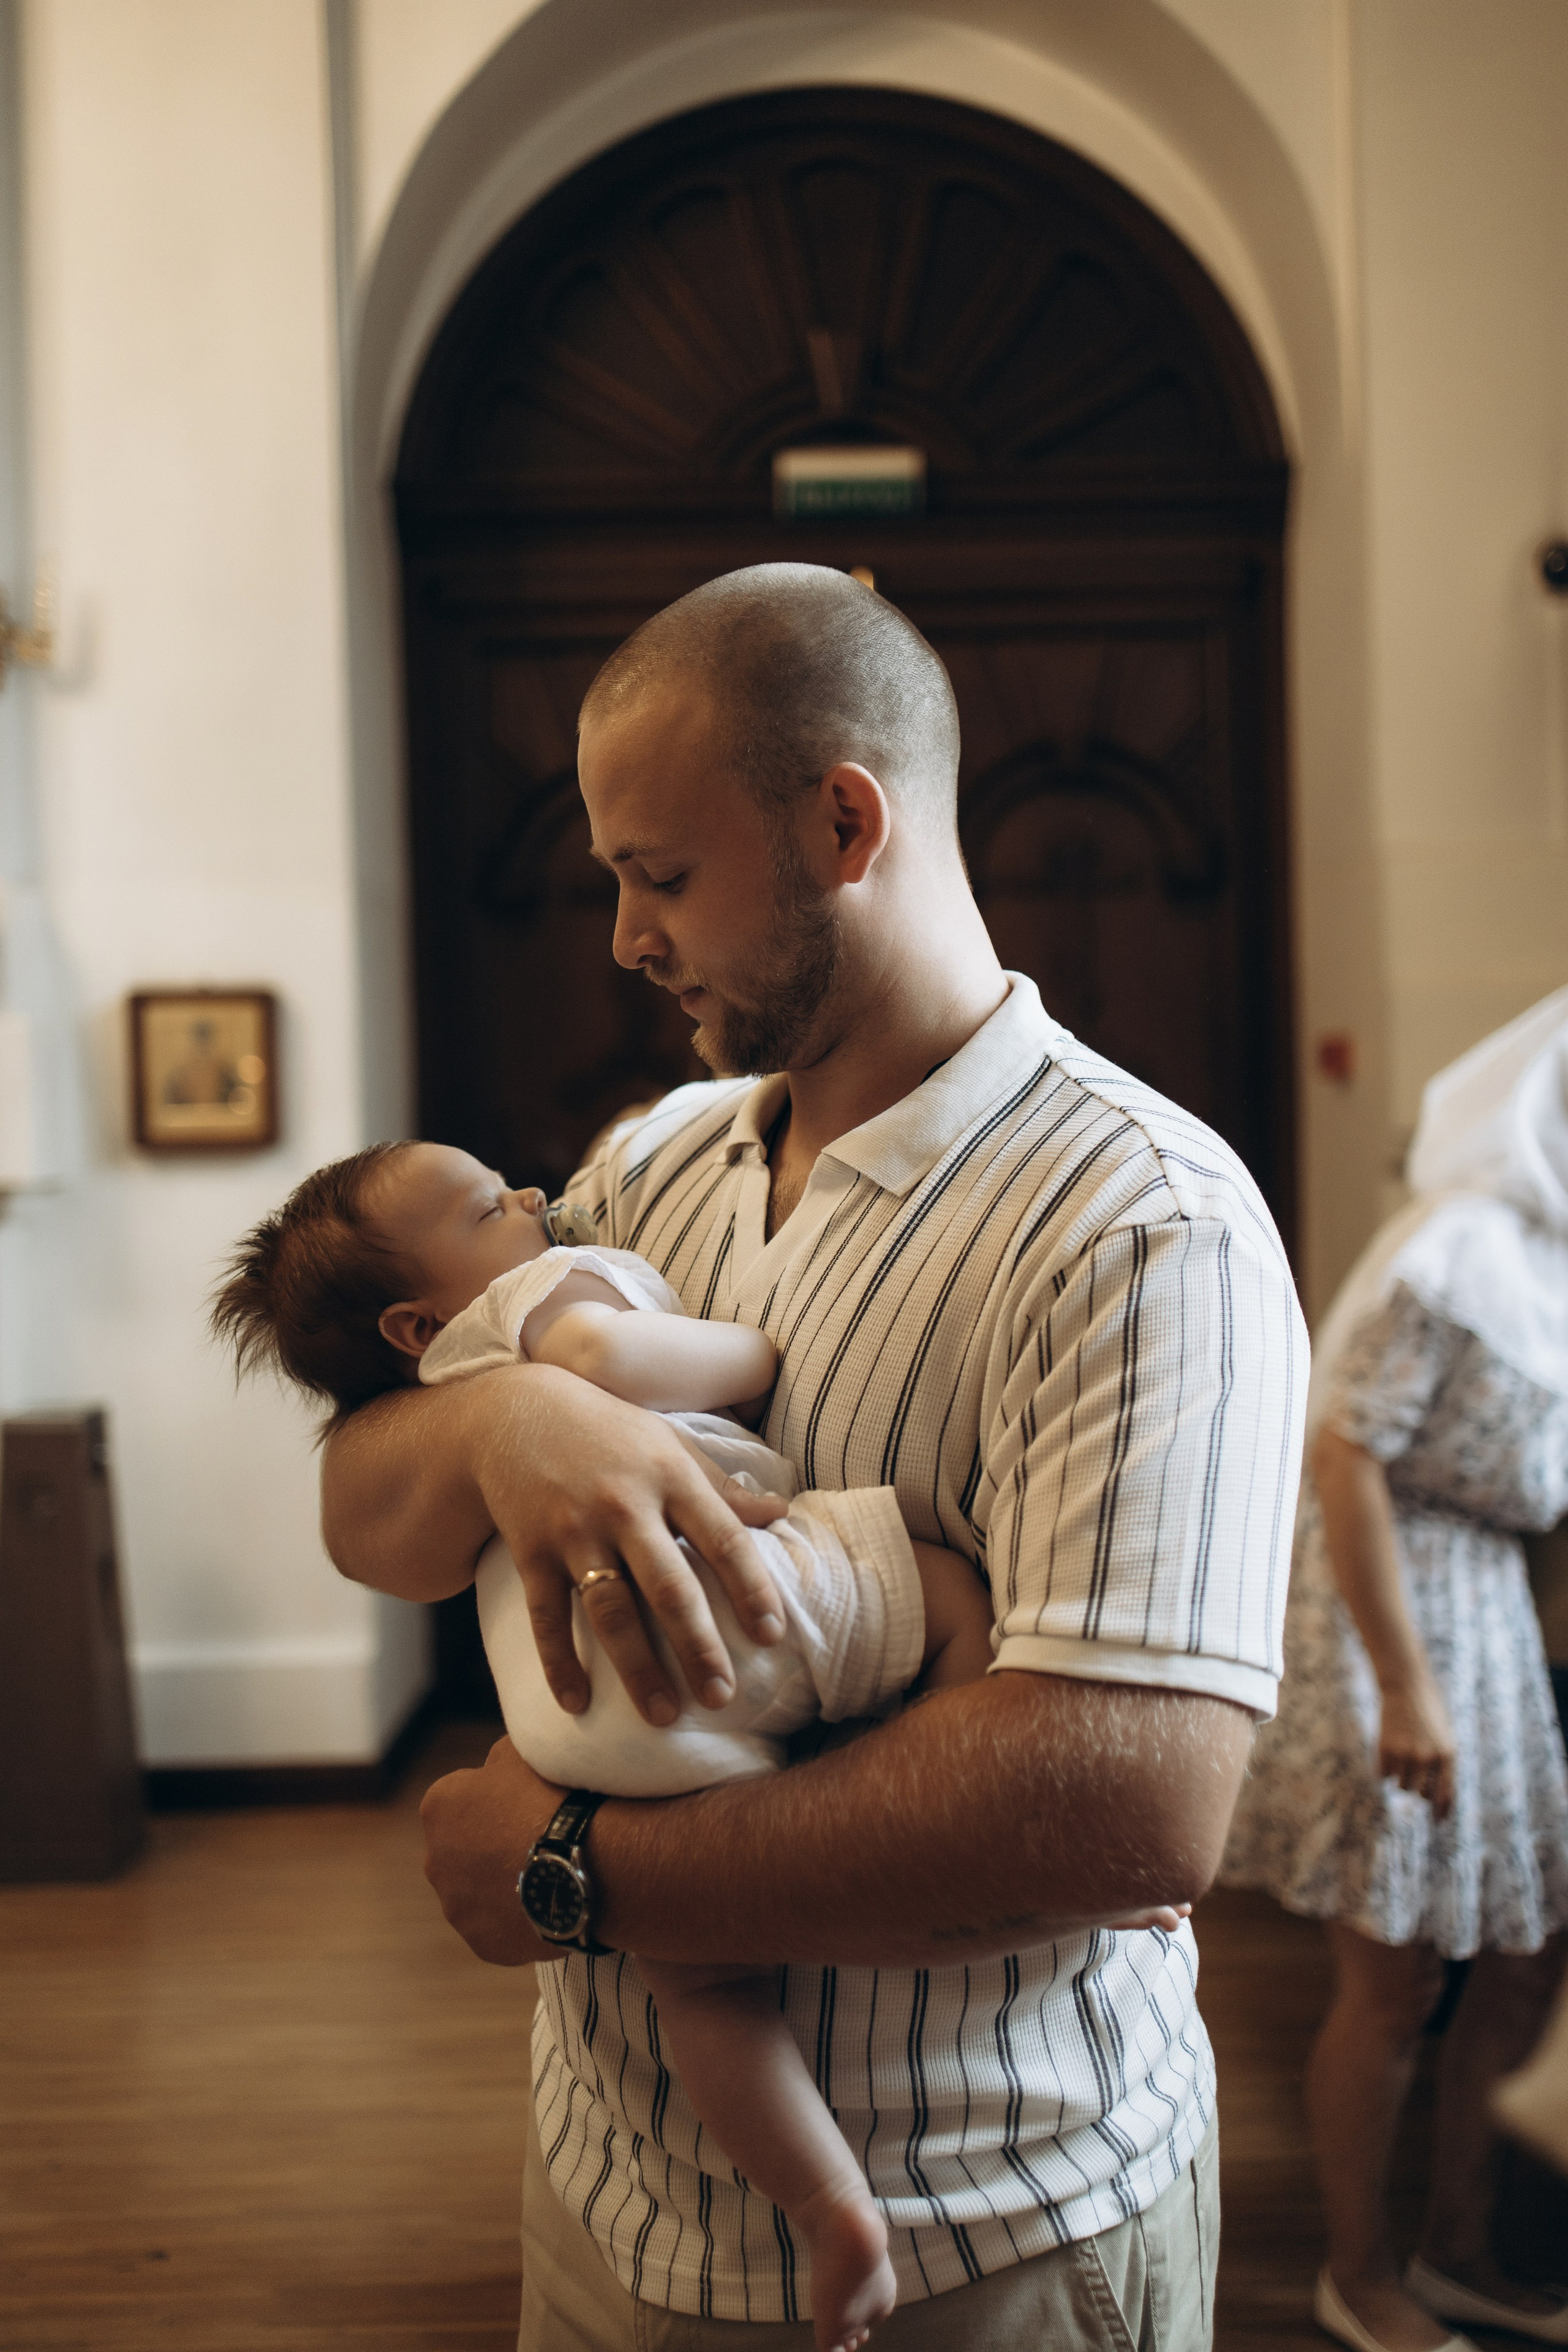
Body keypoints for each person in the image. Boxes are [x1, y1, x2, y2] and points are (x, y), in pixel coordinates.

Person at [321, 564, 1308, 2350]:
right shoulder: (650, 1167)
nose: (621, 936)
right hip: (608, 2188)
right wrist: (501, 1414)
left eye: (661, 874)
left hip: (984, 2233)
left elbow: (1136, 1802)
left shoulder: (1146, 1223)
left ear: (844, 823)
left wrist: (576, 1872)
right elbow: (368, 1517)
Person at [213, 1136, 1016, 2352]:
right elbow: (607, 1354)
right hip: (705, 1605)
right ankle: (974, 1805)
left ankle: (824, 2201)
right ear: (415, 1327)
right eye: (491, 1203)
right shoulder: (541, 1300)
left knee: (701, 1980)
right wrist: (749, 1354)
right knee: (950, 1595)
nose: (533, 1199)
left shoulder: (436, 1381)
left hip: (573, 1709)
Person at [1222, 990, 1568, 2352]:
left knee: (1523, 1958)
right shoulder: (1456, 1249)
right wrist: (1403, 1690)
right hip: (1388, 1614)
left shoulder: (1542, 1266)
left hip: (1480, 1610)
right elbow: (1342, 1456)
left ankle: (1459, 2247)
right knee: (1394, 1980)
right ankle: (1356, 2273)